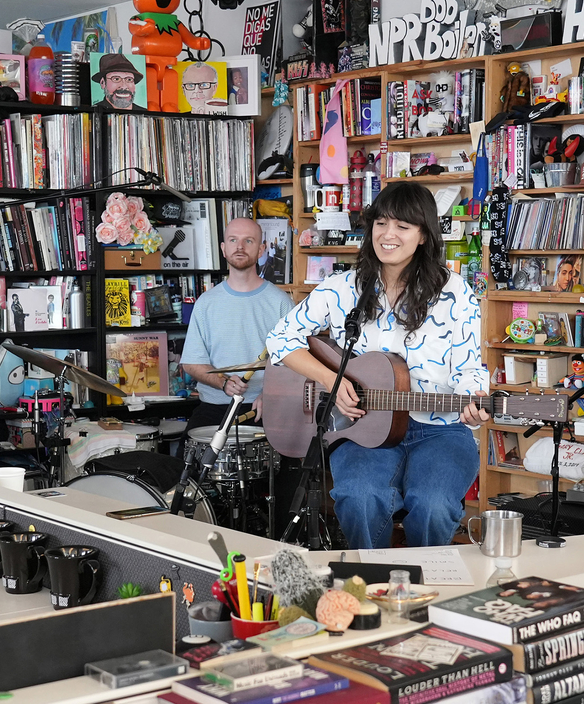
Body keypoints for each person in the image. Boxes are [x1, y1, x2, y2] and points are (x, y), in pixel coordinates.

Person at [266, 182, 489, 549]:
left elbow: (469, 367)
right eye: (381, 223)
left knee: (432, 505)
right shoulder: (342, 288)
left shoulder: (455, 292)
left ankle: (426, 587)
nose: (388, 235)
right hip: (362, 428)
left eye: (403, 227)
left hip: (440, 431)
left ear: (423, 236)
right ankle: (373, 587)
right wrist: (329, 381)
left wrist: (475, 397)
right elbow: (280, 339)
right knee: (358, 497)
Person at [181, 217, 294, 432]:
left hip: (265, 406)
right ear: (223, 249)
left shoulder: (281, 303)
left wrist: (270, 395)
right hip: (215, 406)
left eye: (248, 241)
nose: (240, 247)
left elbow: (295, 365)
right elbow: (192, 363)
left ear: (261, 249)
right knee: (187, 460)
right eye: (233, 240)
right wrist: (223, 382)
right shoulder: (206, 303)